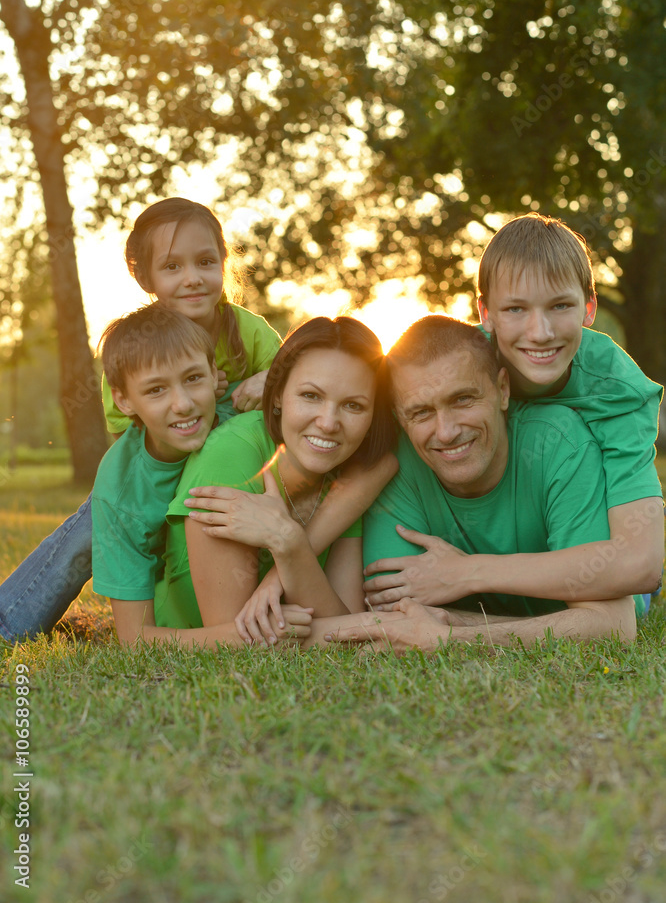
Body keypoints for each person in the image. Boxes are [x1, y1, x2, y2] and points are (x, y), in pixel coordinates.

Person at [0, 199, 394, 642]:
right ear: (144, 276)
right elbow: (127, 437)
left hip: (233, 462)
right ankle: (9, 623)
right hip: (161, 468)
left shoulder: (248, 331)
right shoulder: (134, 351)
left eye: (205, 261)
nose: (192, 278)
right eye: (172, 267)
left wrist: (264, 381)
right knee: (92, 526)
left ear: (224, 262)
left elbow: (294, 377)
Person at [362, 214, 664, 617]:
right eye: (516, 309)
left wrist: (468, 573)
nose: (539, 332)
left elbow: (639, 565)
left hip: (588, 547)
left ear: (589, 307)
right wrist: (275, 376)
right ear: (486, 313)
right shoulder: (467, 363)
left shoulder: (618, 390)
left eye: (560, 306)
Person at [321, 315, 636, 652]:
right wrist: (559, 624)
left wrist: (452, 633)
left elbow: (613, 624)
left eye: (462, 400)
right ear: (400, 417)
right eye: (421, 412)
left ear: (502, 390)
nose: (446, 432)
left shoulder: (560, 444)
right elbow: (397, 614)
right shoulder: (394, 464)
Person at [137, 316, 397, 645]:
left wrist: (289, 542)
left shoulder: (347, 475)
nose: (329, 423)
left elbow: (343, 629)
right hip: (188, 643)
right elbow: (239, 637)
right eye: (311, 396)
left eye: (353, 405)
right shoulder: (234, 452)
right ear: (277, 396)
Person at [91, 304, 313, 648]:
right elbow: (134, 640)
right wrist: (251, 635)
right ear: (122, 400)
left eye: (193, 379)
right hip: (189, 618)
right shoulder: (120, 489)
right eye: (155, 390)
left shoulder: (245, 419)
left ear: (213, 373)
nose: (183, 404)